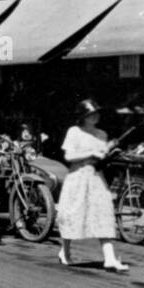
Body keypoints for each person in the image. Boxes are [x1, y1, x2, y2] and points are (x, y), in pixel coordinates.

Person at [57, 100, 129, 272]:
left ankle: (110, 258)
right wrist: (90, 153)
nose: (95, 116)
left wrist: (109, 152)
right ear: (82, 116)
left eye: (97, 113)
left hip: (96, 177)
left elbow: (103, 155)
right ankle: (65, 251)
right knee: (73, 213)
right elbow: (68, 156)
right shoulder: (74, 132)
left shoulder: (102, 134)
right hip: (77, 176)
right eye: (91, 113)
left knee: (103, 212)